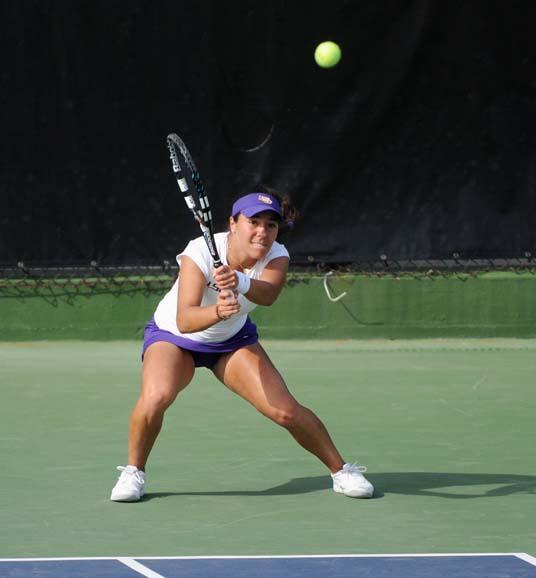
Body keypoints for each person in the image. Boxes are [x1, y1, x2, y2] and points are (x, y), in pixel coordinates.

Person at [110, 188, 373, 501]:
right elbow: (186, 320)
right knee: (157, 396)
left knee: (285, 411)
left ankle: (341, 471)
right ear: (233, 223)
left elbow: (269, 295)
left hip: (231, 341)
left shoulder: (277, 255)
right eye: (254, 221)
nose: (263, 231)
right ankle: (133, 472)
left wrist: (240, 282)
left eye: (271, 224)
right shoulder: (200, 251)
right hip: (174, 338)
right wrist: (218, 310)